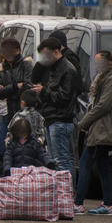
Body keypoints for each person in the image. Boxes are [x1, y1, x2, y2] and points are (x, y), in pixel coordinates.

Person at [74, 51, 112, 216]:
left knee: (85, 163)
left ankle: (78, 203)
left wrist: (84, 122)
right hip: (99, 128)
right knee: (102, 166)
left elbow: (103, 106)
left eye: (100, 62)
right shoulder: (103, 78)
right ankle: (108, 204)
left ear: (110, 63)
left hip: (104, 129)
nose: (98, 65)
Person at [32, 37, 79, 176]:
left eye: (46, 54)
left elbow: (64, 97)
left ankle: (66, 194)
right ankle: (65, 193)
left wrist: (44, 91)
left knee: (61, 161)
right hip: (52, 119)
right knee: (56, 160)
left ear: (57, 51)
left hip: (61, 120)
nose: (44, 58)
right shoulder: (52, 67)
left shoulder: (67, 69)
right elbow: (34, 78)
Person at [0, 37, 33, 123]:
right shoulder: (2, 68)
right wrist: (15, 86)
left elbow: (28, 87)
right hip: (9, 112)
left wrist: (6, 89)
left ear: (18, 50)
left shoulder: (26, 64)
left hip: (26, 113)